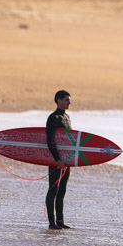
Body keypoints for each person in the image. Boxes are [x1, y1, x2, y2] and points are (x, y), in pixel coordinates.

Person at [45, 90, 73, 229]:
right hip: (55, 160)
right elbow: (50, 141)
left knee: (62, 190)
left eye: (69, 99)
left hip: (66, 161)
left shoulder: (67, 117)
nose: (69, 102)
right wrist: (57, 160)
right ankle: (52, 222)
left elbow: (69, 141)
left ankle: (60, 221)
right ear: (58, 100)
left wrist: (70, 160)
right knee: (53, 189)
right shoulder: (53, 118)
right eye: (67, 99)